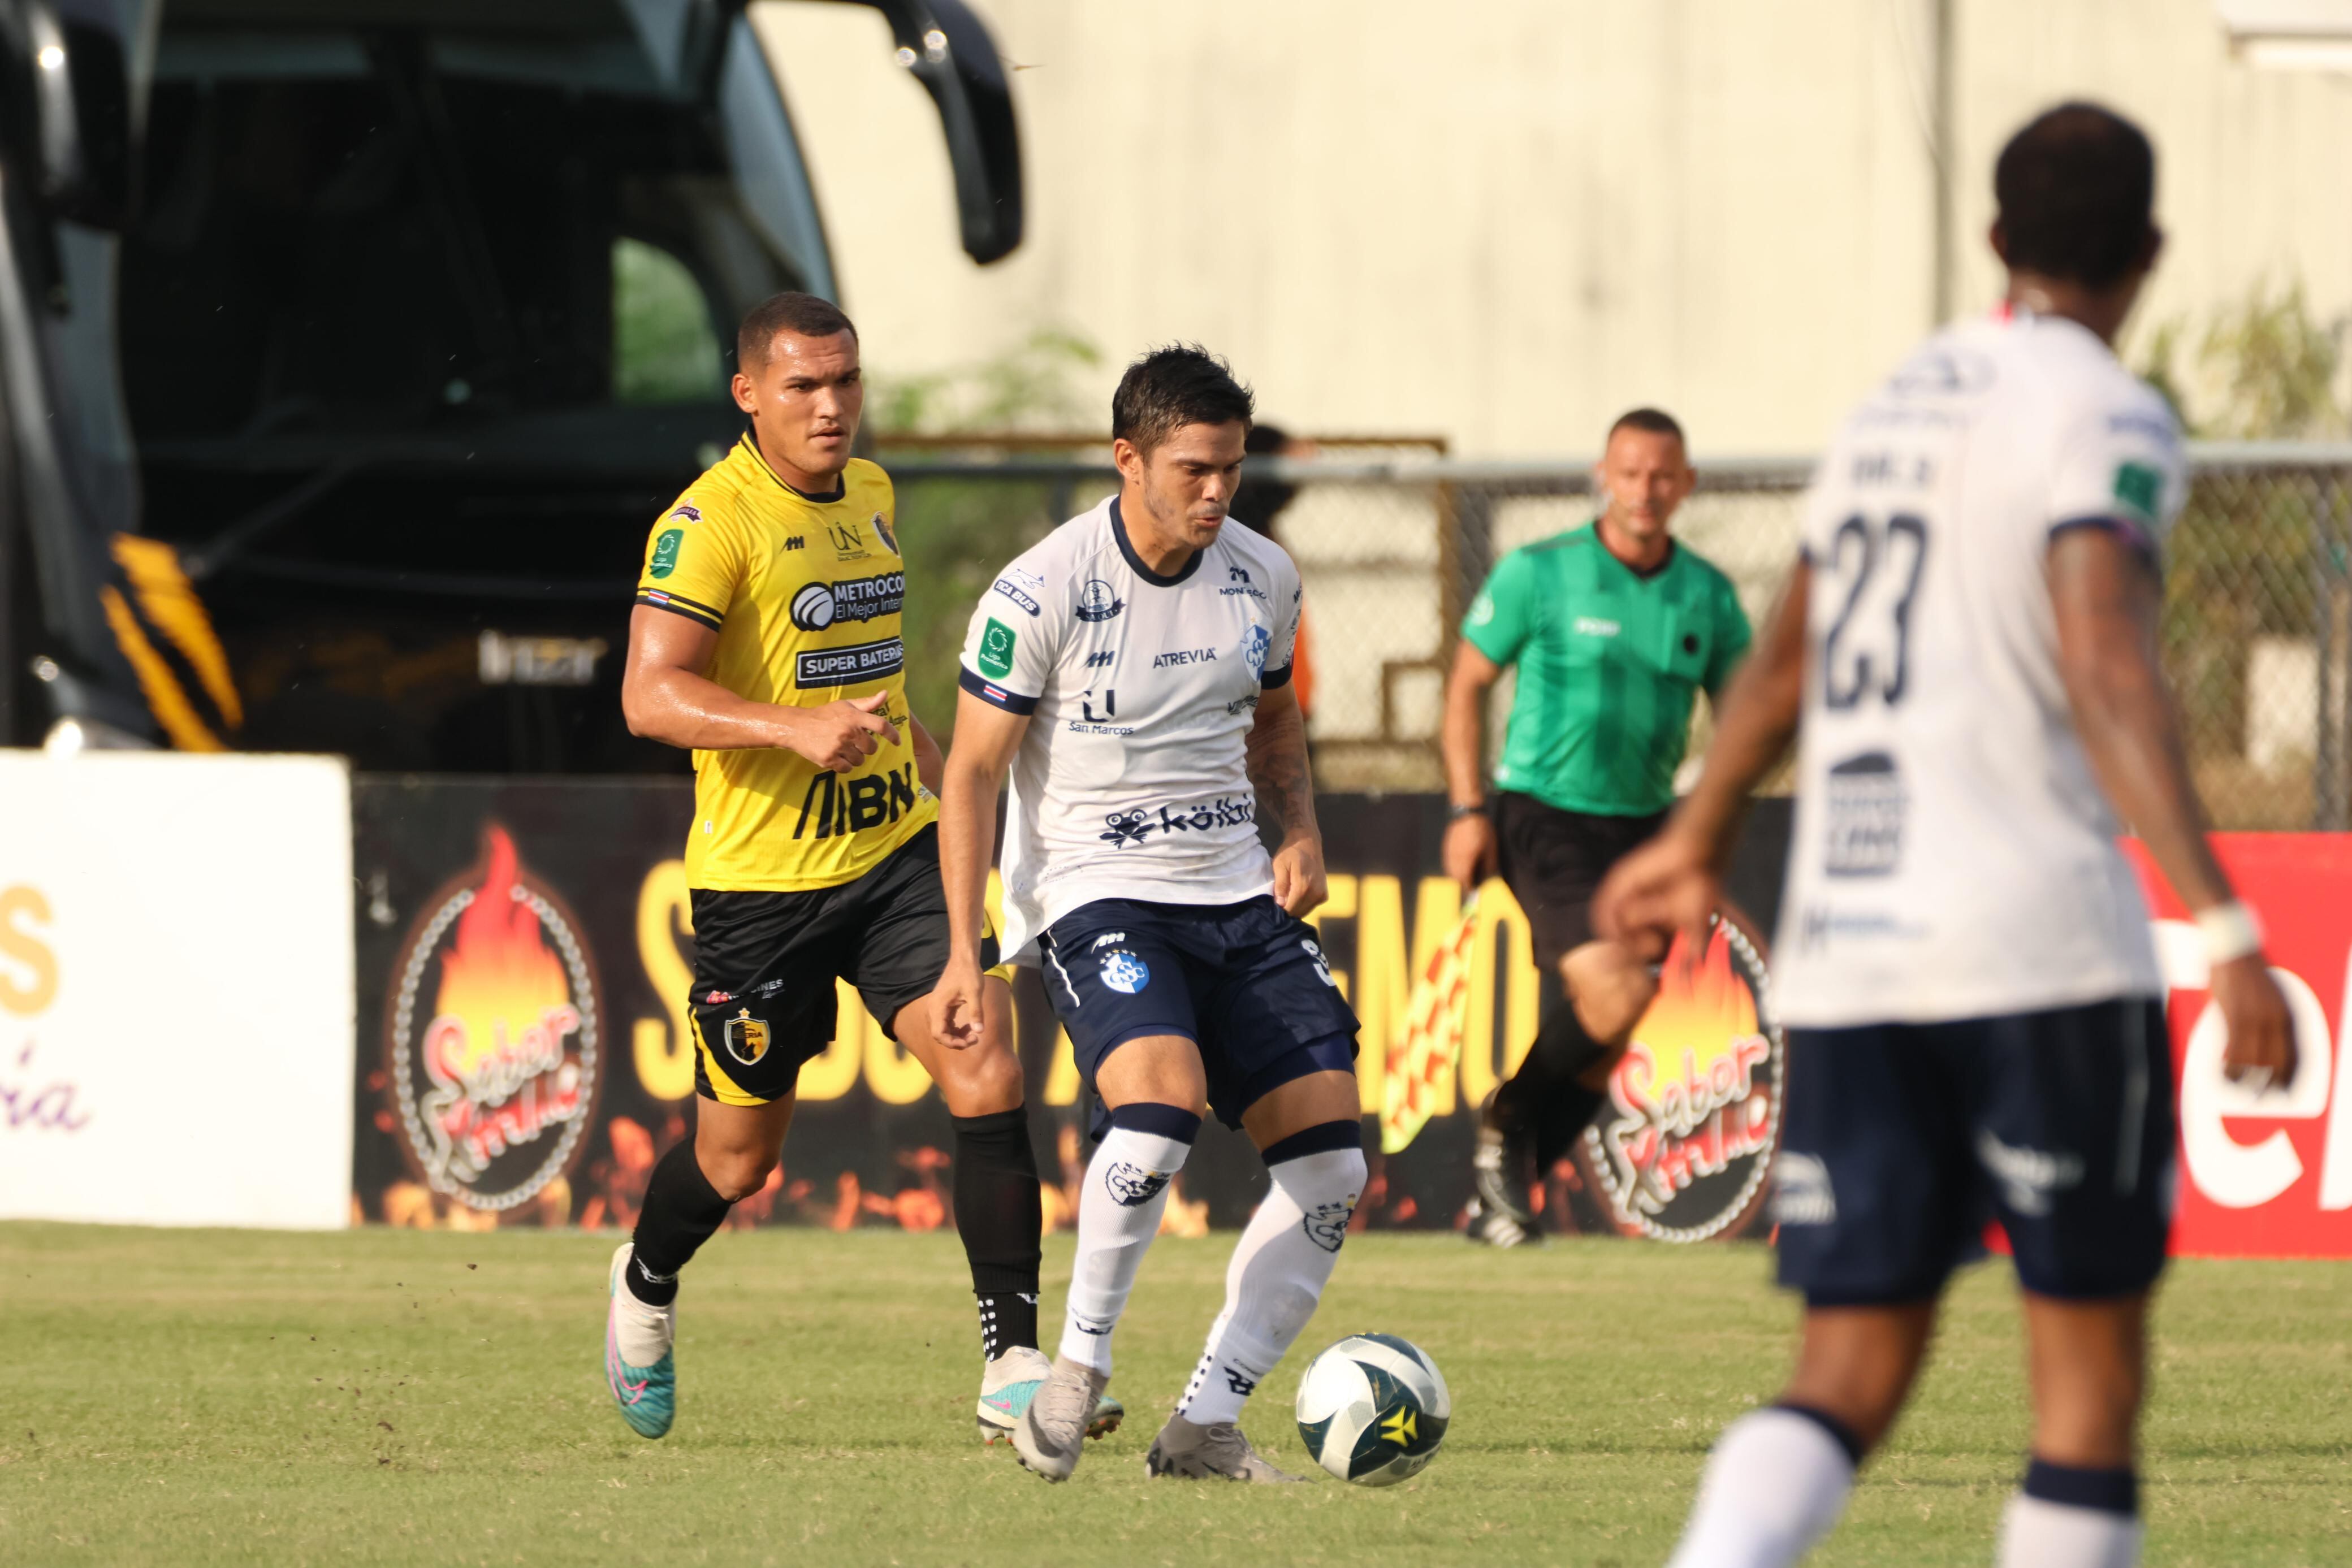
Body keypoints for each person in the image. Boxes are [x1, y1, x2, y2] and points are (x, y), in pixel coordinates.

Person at [1595, 104, 2297, 1568]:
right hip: (2034, 946)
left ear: (1994, 240)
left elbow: (1787, 649)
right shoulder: (2106, 411)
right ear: (2152, 252)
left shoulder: (1894, 405)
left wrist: (1700, 828)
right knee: (2087, 1392)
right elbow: (2106, 659)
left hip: (1856, 960)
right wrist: (2226, 928)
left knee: (1846, 1373)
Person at [605, 291, 1120, 1449]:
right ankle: (643, 1281)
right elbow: (648, 693)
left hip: (891, 851)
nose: (831, 407)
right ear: (749, 394)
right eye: (802, 386)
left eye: (844, 383)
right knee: (738, 1161)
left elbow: (882, 694)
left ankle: (1011, 1364)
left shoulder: (875, 498)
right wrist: (788, 729)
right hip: (764, 892)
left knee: (982, 1059)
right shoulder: (708, 524)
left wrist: (951, 799)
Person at [930, 345, 1364, 1484]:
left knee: (1334, 1172)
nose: (1216, 492)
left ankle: (1204, 1423)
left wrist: (1303, 833)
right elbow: (972, 772)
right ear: (1127, 459)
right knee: (1159, 1111)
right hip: (1096, 892)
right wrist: (966, 949)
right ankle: (1070, 1372)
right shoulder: (1043, 587)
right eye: (1193, 469)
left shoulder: (1263, 576)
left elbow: (1275, 728)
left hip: (1235, 892)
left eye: (1229, 468)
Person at [1440, 408, 1751, 1246]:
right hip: (1546, 815)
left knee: (1606, 1038)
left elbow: (1745, 724)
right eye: (1631, 472)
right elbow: (1467, 684)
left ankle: (1499, 1203)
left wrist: (1706, 835)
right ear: (1602, 476)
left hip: (1646, 830)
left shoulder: (1708, 595)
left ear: (1685, 484)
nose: (1646, 490)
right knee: (1620, 992)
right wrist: (1470, 807)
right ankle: (1506, 1118)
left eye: (1663, 476)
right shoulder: (1540, 573)